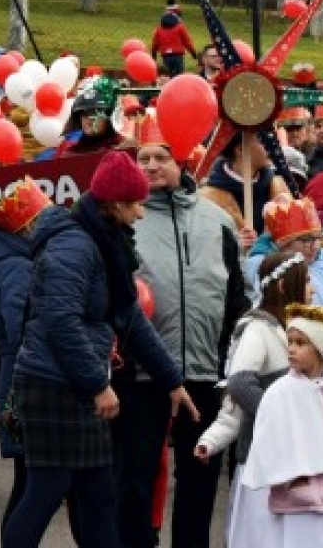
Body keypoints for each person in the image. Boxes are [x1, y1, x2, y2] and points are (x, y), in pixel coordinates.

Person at [3, 151, 199, 548]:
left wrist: (171, 380)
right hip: (51, 383)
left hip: (72, 380)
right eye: (136, 205)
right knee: (46, 490)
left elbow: (130, 317)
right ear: (114, 204)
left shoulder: (106, 240)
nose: (141, 214)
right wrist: (97, 384)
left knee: (98, 493)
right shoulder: (75, 245)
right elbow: (61, 321)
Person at [122, 112, 248, 548]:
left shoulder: (218, 221)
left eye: (162, 156)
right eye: (143, 158)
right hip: (142, 375)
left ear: (185, 162)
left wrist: (232, 360)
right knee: (135, 478)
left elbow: (238, 296)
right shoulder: (125, 220)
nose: (152, 165)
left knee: (199, 478)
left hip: (203, 372)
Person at [231, 303, 323, 548]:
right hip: (294, 498)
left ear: (322, 349)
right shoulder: (279, 393)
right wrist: (293, 476)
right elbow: (268, 441)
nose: (292, 348)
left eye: (301, 343)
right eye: (290, 341)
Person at [0, 178, 68, 529]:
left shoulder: (7, 257)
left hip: (17, 377)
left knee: (28, 484)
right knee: (31, 488)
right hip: (25, 383)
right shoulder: (16, 267)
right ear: (27, 224)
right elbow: (24, 327)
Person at [194, 250, 305, 545]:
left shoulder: (294, 329)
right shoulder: (257, 329)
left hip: (292, 457)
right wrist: (281, 414)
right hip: (262, 459)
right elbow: (240, 384)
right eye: (305, 281)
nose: (312, 288)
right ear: (283, 286)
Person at [153, 2, 199, 76]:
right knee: (179, 76)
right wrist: (193, 53)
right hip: (178, 55)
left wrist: (153, 55)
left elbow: (155, 44)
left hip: (166, 56)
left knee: (167, 75)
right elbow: (187, 42)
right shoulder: (180, 27)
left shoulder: (159, 29)